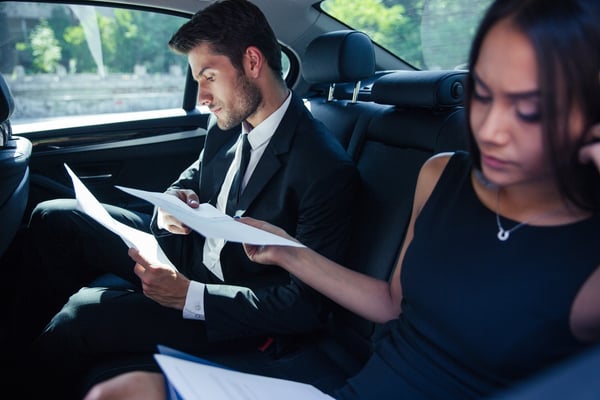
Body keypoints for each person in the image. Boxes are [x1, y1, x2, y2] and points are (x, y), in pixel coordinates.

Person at [82, 0, 600, 399]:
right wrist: (287, 250)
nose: (490, 128)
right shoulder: (441, 174)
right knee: (122, 391)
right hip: (353, 388)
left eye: (528, 108)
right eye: (484, 94)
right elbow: (390, 304)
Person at [8, 0, 359, 398]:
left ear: (252, 62)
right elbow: (194, 174)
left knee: (86, 313)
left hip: (233, 308)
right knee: (56, 217)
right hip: (190, 252)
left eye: (209, 77)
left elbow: (304, 305)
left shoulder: (324, 168)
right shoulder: (228, 123)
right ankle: (15, 348)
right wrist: (174, 201)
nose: (202, 97)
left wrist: (190, 295)